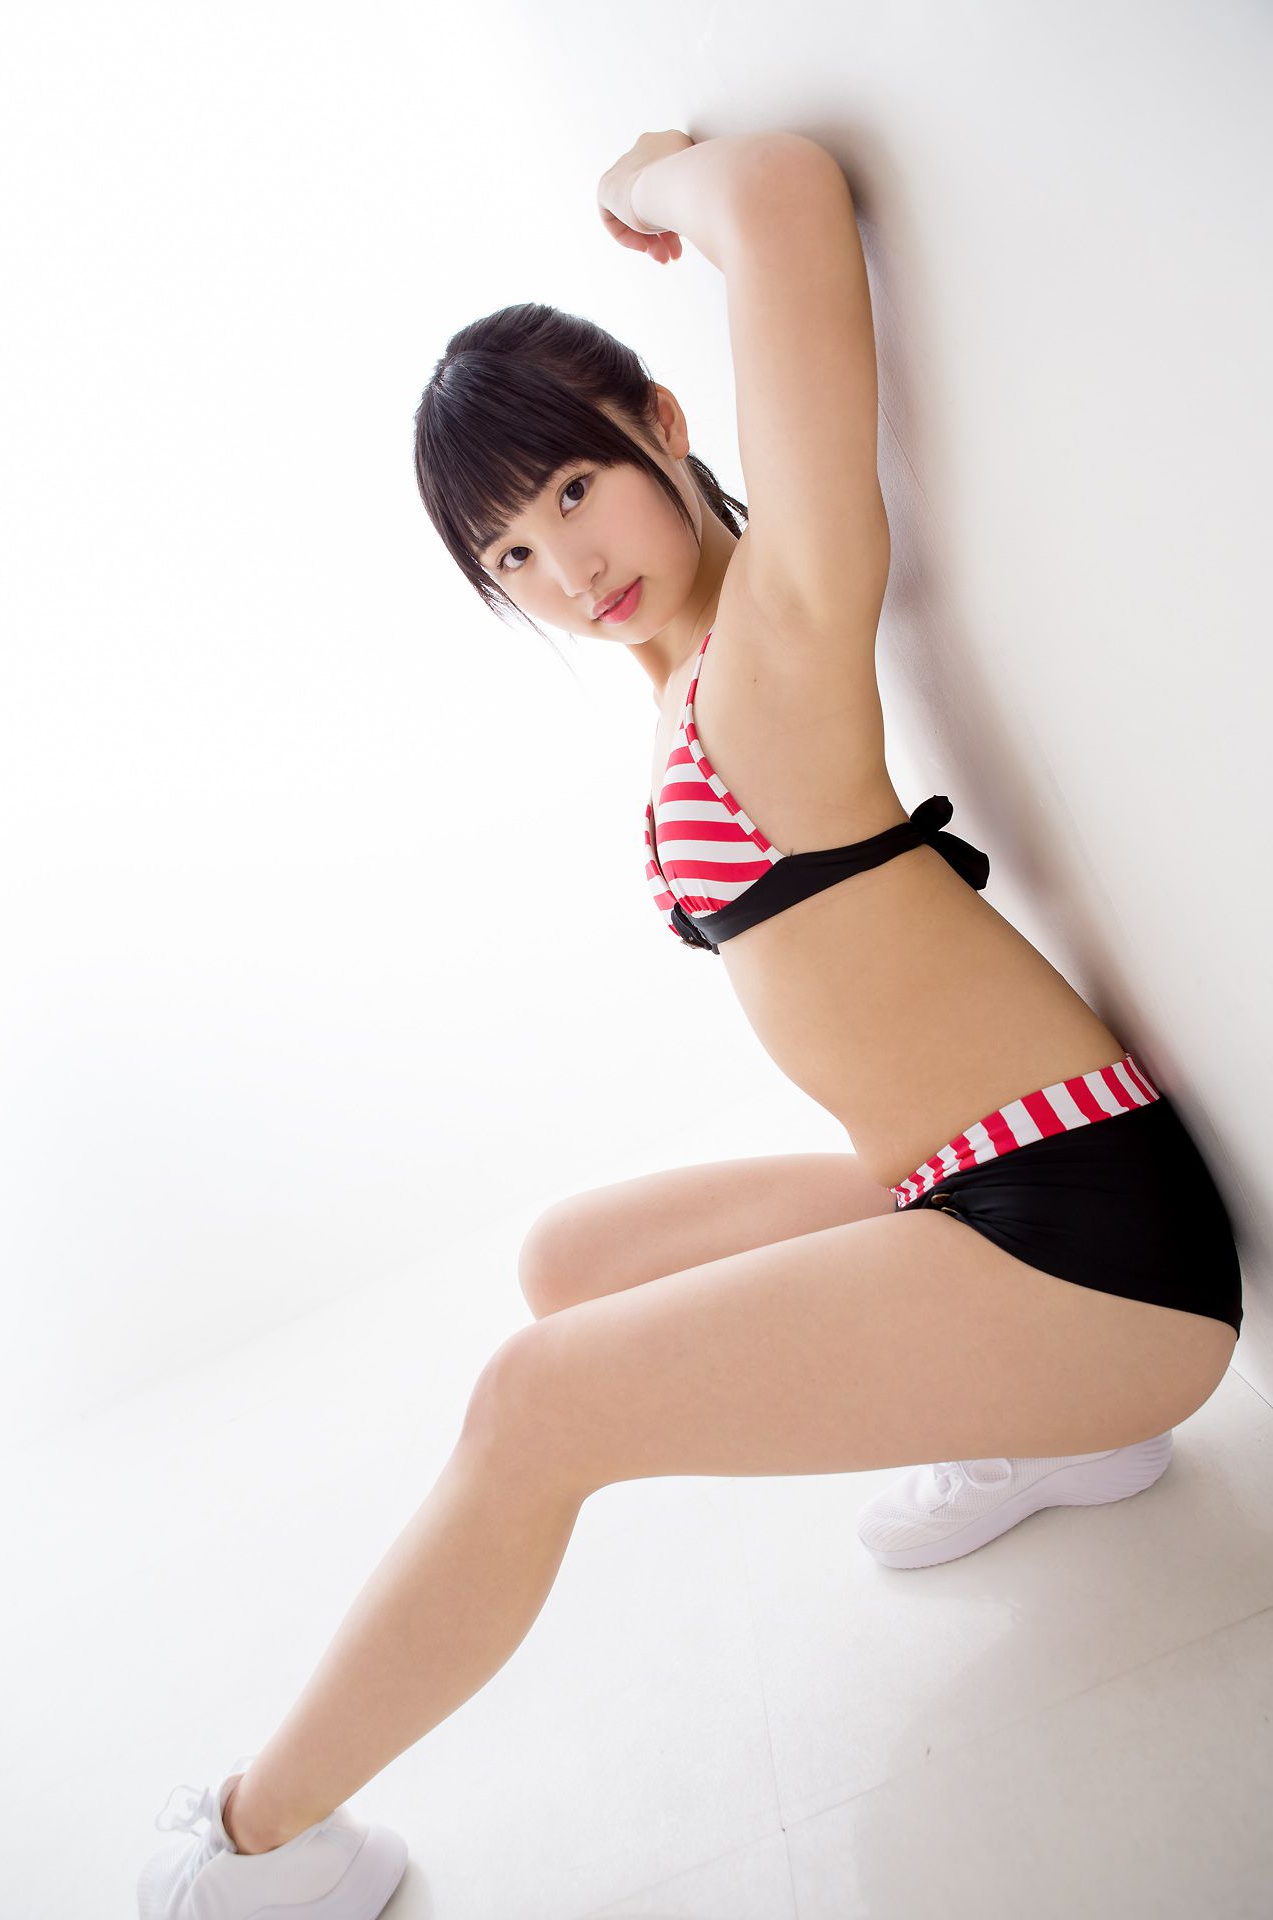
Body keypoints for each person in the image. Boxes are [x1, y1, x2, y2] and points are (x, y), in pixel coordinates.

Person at [138, 127, 1243, 1918]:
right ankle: (1070, 1440)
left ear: (661, 420)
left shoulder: (783, 629)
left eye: (576, 488)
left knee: (538, 1403)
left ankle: (260, 1847)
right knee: (569, 1265)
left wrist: (650, 177)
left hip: (1101, 1254)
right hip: (973, 1183)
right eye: (512, 552)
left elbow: (786, 193)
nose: (567, 568)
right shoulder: (675, 689)